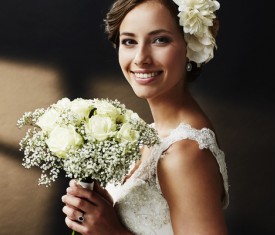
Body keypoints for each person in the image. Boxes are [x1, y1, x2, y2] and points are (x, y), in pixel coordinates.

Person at [61, 0, 229, 234]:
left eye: (160, 39)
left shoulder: (184, 152)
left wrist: (112, 231)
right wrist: (106, 210)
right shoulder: (155, 134)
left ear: (190, 45)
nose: (141, 58)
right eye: (129, 41)